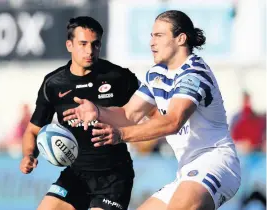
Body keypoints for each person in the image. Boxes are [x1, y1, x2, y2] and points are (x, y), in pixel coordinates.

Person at [63, 10, 241, 210]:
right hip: (187, 170)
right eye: (151, 36)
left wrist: (121, 135)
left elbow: (173, 122)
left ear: (181, 39)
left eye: (159, 35)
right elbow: (129, 114)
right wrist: (98, 111)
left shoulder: (194, 73)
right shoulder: (156, 74)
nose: (151, 42)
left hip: (216, 162)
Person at [19, 16, 141, 210]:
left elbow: (150, 113)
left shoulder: (119, 78)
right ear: (69, 45)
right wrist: (28, 155)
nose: (89, 51)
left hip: (113, 176)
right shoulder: (53, 84)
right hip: (76, 175)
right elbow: (33, 130)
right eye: (83, 44)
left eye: (95, 44)